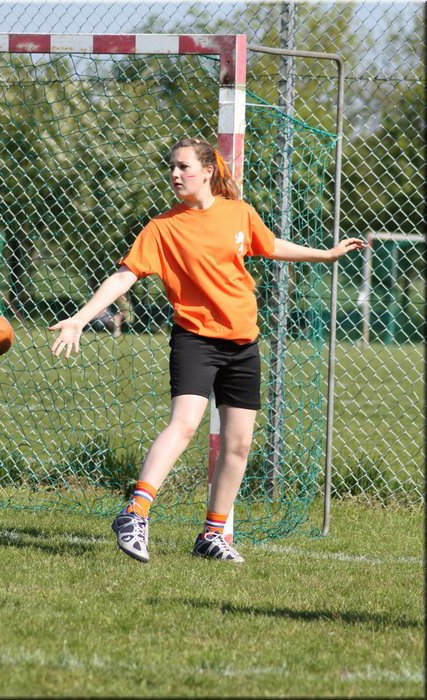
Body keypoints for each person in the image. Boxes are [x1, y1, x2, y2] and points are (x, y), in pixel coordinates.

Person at [50, 137, 366, 565]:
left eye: (183, 167)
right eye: (171, 167)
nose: (175, 174)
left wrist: (326, 255)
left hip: (243, 343)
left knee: (239, 445)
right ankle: (134, 514)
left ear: (207, 171)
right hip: (196, 339)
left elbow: (269, 245)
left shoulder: (239, 213)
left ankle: (212, 535)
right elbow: (124, 277)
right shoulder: (162, 227)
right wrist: (80, 318)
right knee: (184, 425)